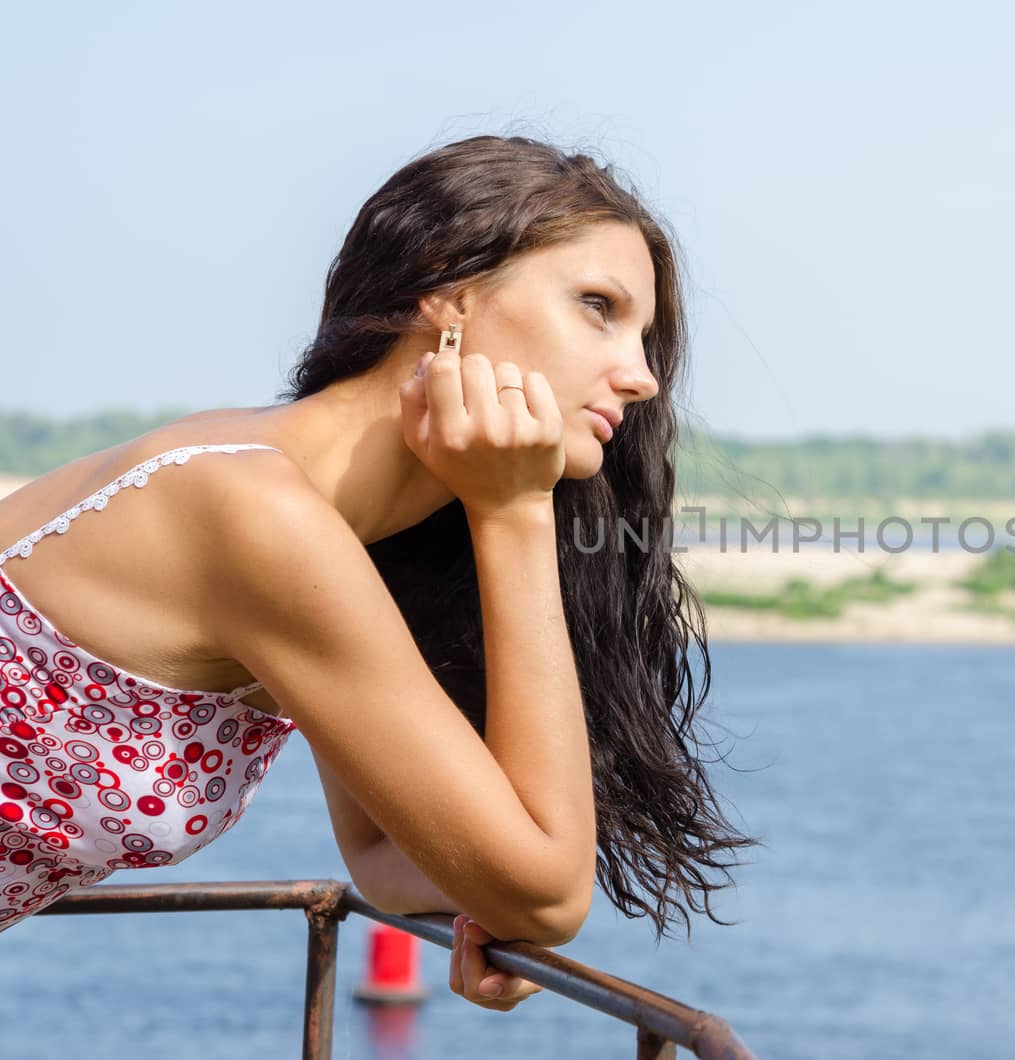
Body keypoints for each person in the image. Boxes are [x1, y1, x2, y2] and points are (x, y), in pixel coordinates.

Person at [0, 134, 757, 1011]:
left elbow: (379, 858)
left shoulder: (318, 516)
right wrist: (512, 512)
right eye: (597, 305)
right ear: (446, 289)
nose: (642, 378)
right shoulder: (251, 511)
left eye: (644, 334)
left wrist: (480, 891)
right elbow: (547, 890)